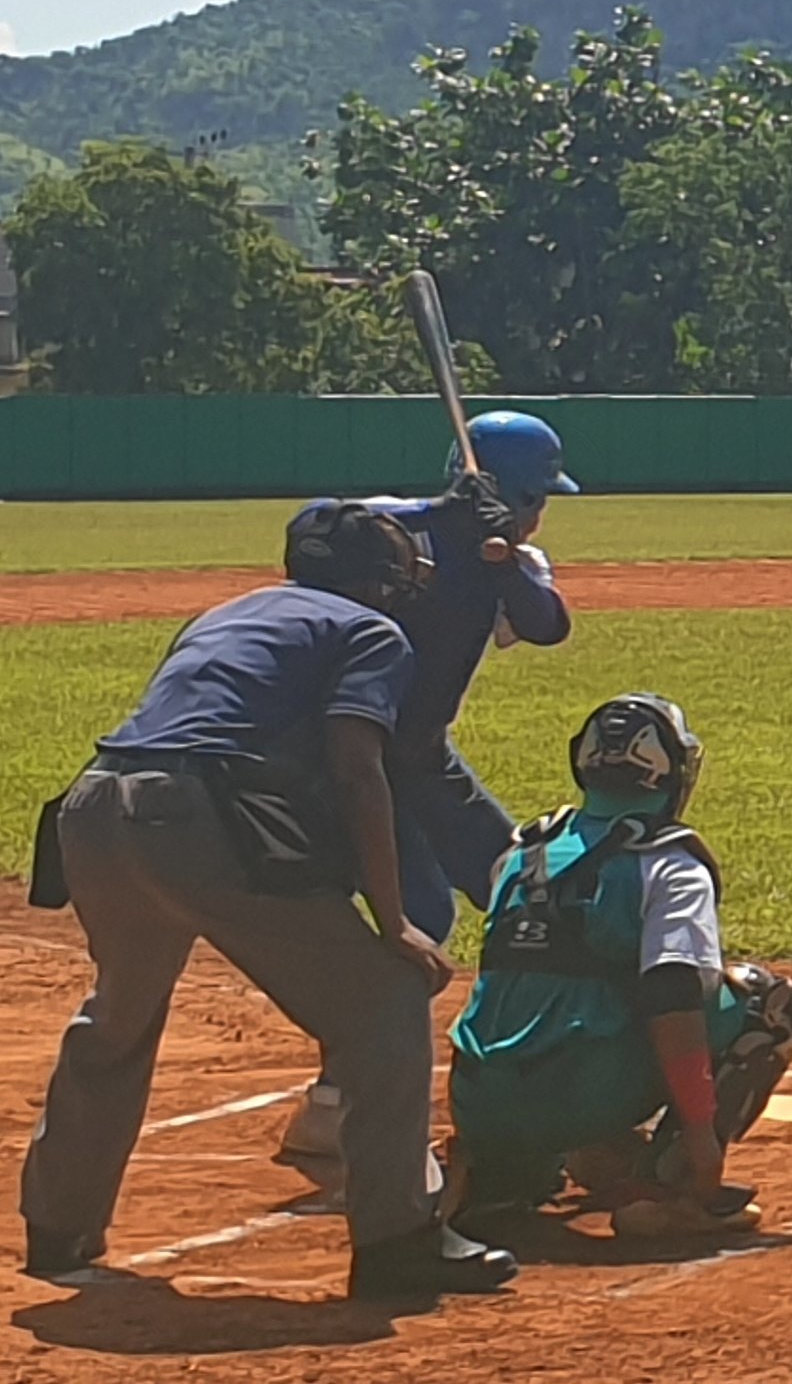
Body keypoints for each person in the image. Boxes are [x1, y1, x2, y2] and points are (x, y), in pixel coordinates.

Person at [19, 502, 517, 1298]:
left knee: (118, 1015)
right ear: (383, 579)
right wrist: (393, 922)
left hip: (92, 809)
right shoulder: (370, 631)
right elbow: (359, 771)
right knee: (386, 998)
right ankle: (399, 1237)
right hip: (191, 815)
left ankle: (58, 1225)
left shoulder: (228, 611)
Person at [279, 410, 578, 1163]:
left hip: (424, 758)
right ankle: (333, 1105)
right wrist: (441, 521)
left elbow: (546, 624)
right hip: (351, 755)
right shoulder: (387, 528)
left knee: (518, 887)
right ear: (504, 489)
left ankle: (539, 1072)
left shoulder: (514, 558)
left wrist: (500, 553)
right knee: (419, 915)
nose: (544, 512)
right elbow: (316, 541)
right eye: (537, 496)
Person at [446, 695, 792, 1240]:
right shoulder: (670, 862)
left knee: (568, 995)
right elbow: (673, 994)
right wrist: (698, 1129)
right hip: (576, 1092)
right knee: (767, 1001)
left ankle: (506, 1170)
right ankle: (672, 1192)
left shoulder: (523, 850)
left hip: (477, 1102)